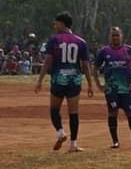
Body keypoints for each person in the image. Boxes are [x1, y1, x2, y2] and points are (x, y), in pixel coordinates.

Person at [35, 12, 93, 152]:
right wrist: (90, 84)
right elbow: (85, 65)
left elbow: (48, 61)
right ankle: (73, 144)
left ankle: (61, 132)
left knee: (54, 109)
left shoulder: (54, 40)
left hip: (58, 79)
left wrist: (40, 79)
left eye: (56, 23)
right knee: (73, 112)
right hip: (74, 80)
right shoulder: (81, 42)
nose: (54, 26)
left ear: (62, 24)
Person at [93, 27, 131, 148]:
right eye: (113, 35)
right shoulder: (104, 51)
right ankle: (115, 141)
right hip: (111, 90)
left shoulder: (129, 50)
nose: (115, 37)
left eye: (117, 35)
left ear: (121, 36)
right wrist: (99, 84)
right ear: (109, 37)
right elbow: (94, 68)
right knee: (112, 113)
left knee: (130, 113)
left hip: (126, 90)